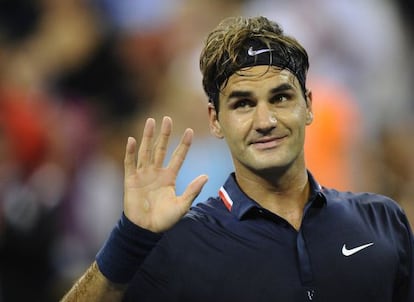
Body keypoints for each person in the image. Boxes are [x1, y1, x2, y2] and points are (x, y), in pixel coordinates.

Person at [61, 16, 414, 302]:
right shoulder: (178, 245)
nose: (265, 122)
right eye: (243, 103)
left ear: (308, 105)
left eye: (280, 98)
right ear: (215, 120)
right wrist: (129, 238)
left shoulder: (383, 221)